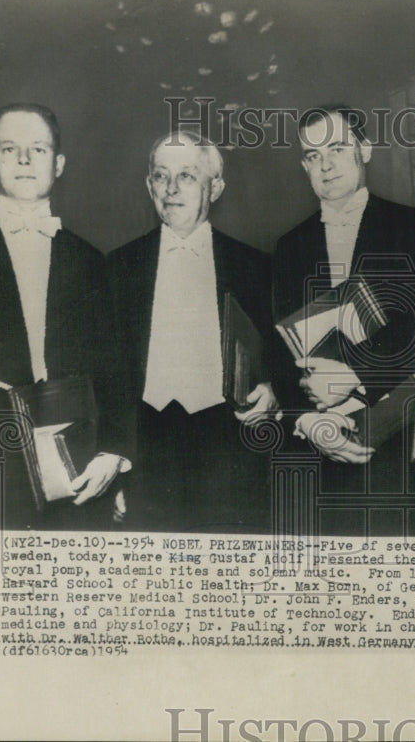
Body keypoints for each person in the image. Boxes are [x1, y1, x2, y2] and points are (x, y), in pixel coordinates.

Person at [272, 106, 415, 535]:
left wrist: (354, 374)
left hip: (398, 431)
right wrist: (307, 420)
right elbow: (278, 352)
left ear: (365, 150)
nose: (324, 165)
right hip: (316, 442)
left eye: (337, 148)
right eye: (311, 155)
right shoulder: (288, 247)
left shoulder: (414, 227)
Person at [107, 130, 278, 532]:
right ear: (149, 186)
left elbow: (280, 359)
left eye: (186, 176)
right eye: (161, 176)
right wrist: (116, 467)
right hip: (146, 459)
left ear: (214, 187)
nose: (171, 188)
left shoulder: (257, 267)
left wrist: (272, 389)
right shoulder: (117, 267)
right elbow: (108, 376)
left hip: (231, 454)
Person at [0, 103, 128, 530]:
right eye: (10, 149)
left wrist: (113, 454)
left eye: (38, 149)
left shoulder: (91, 261)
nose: (24, 160)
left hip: (79, 477)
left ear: (58, 164)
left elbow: (116, 370)